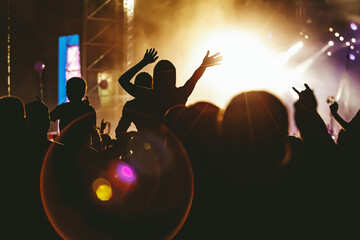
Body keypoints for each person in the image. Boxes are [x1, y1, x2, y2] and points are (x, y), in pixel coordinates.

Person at [118, 48, 222, 123]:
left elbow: (123, 80)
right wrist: (203, 66)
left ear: (155, 78)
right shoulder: (181, 94)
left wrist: (144, 62)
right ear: (174, 77)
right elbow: (194, 79)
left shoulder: (148, 95)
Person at [115, 72, 153, 139]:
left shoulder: (132, 106)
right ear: (152, 86)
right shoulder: (160, 100)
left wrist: (134, 135)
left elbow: (119, 133)